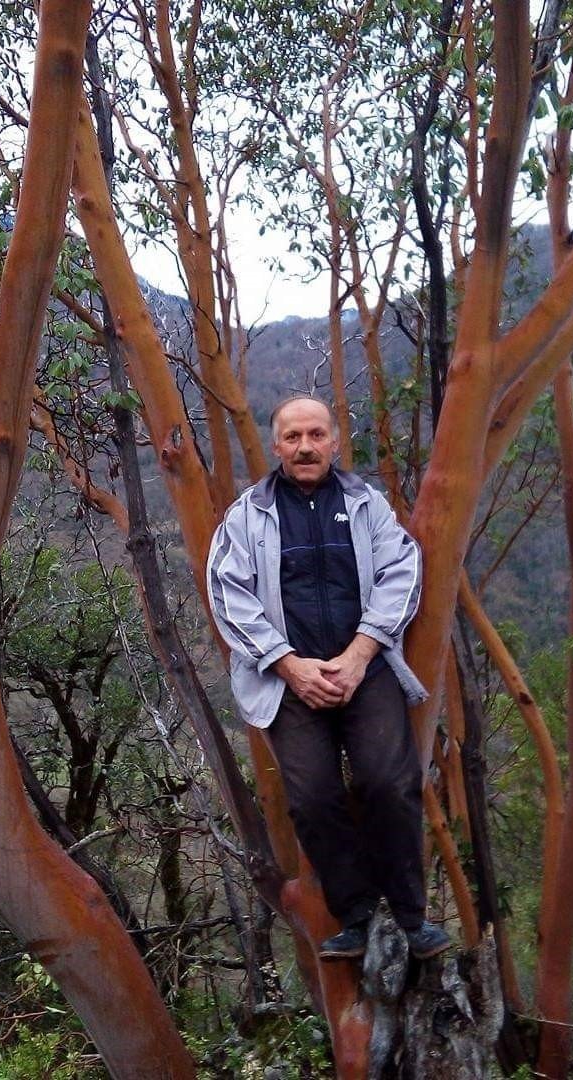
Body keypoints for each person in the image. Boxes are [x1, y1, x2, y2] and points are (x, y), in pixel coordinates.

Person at [206, 395, 450, 960]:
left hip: (365, 669)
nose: (305, 447)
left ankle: (412, 918)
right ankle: (357, 914)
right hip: (287, 678)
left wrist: (361, 653)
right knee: (313, 798)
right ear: (277, 445)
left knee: (389, 783)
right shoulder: (248, 514)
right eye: (293, 437)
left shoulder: (369, 506)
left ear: (335, 441)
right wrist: (288, 663)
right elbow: (227, 592)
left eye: (316, 435)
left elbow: (402, 573)